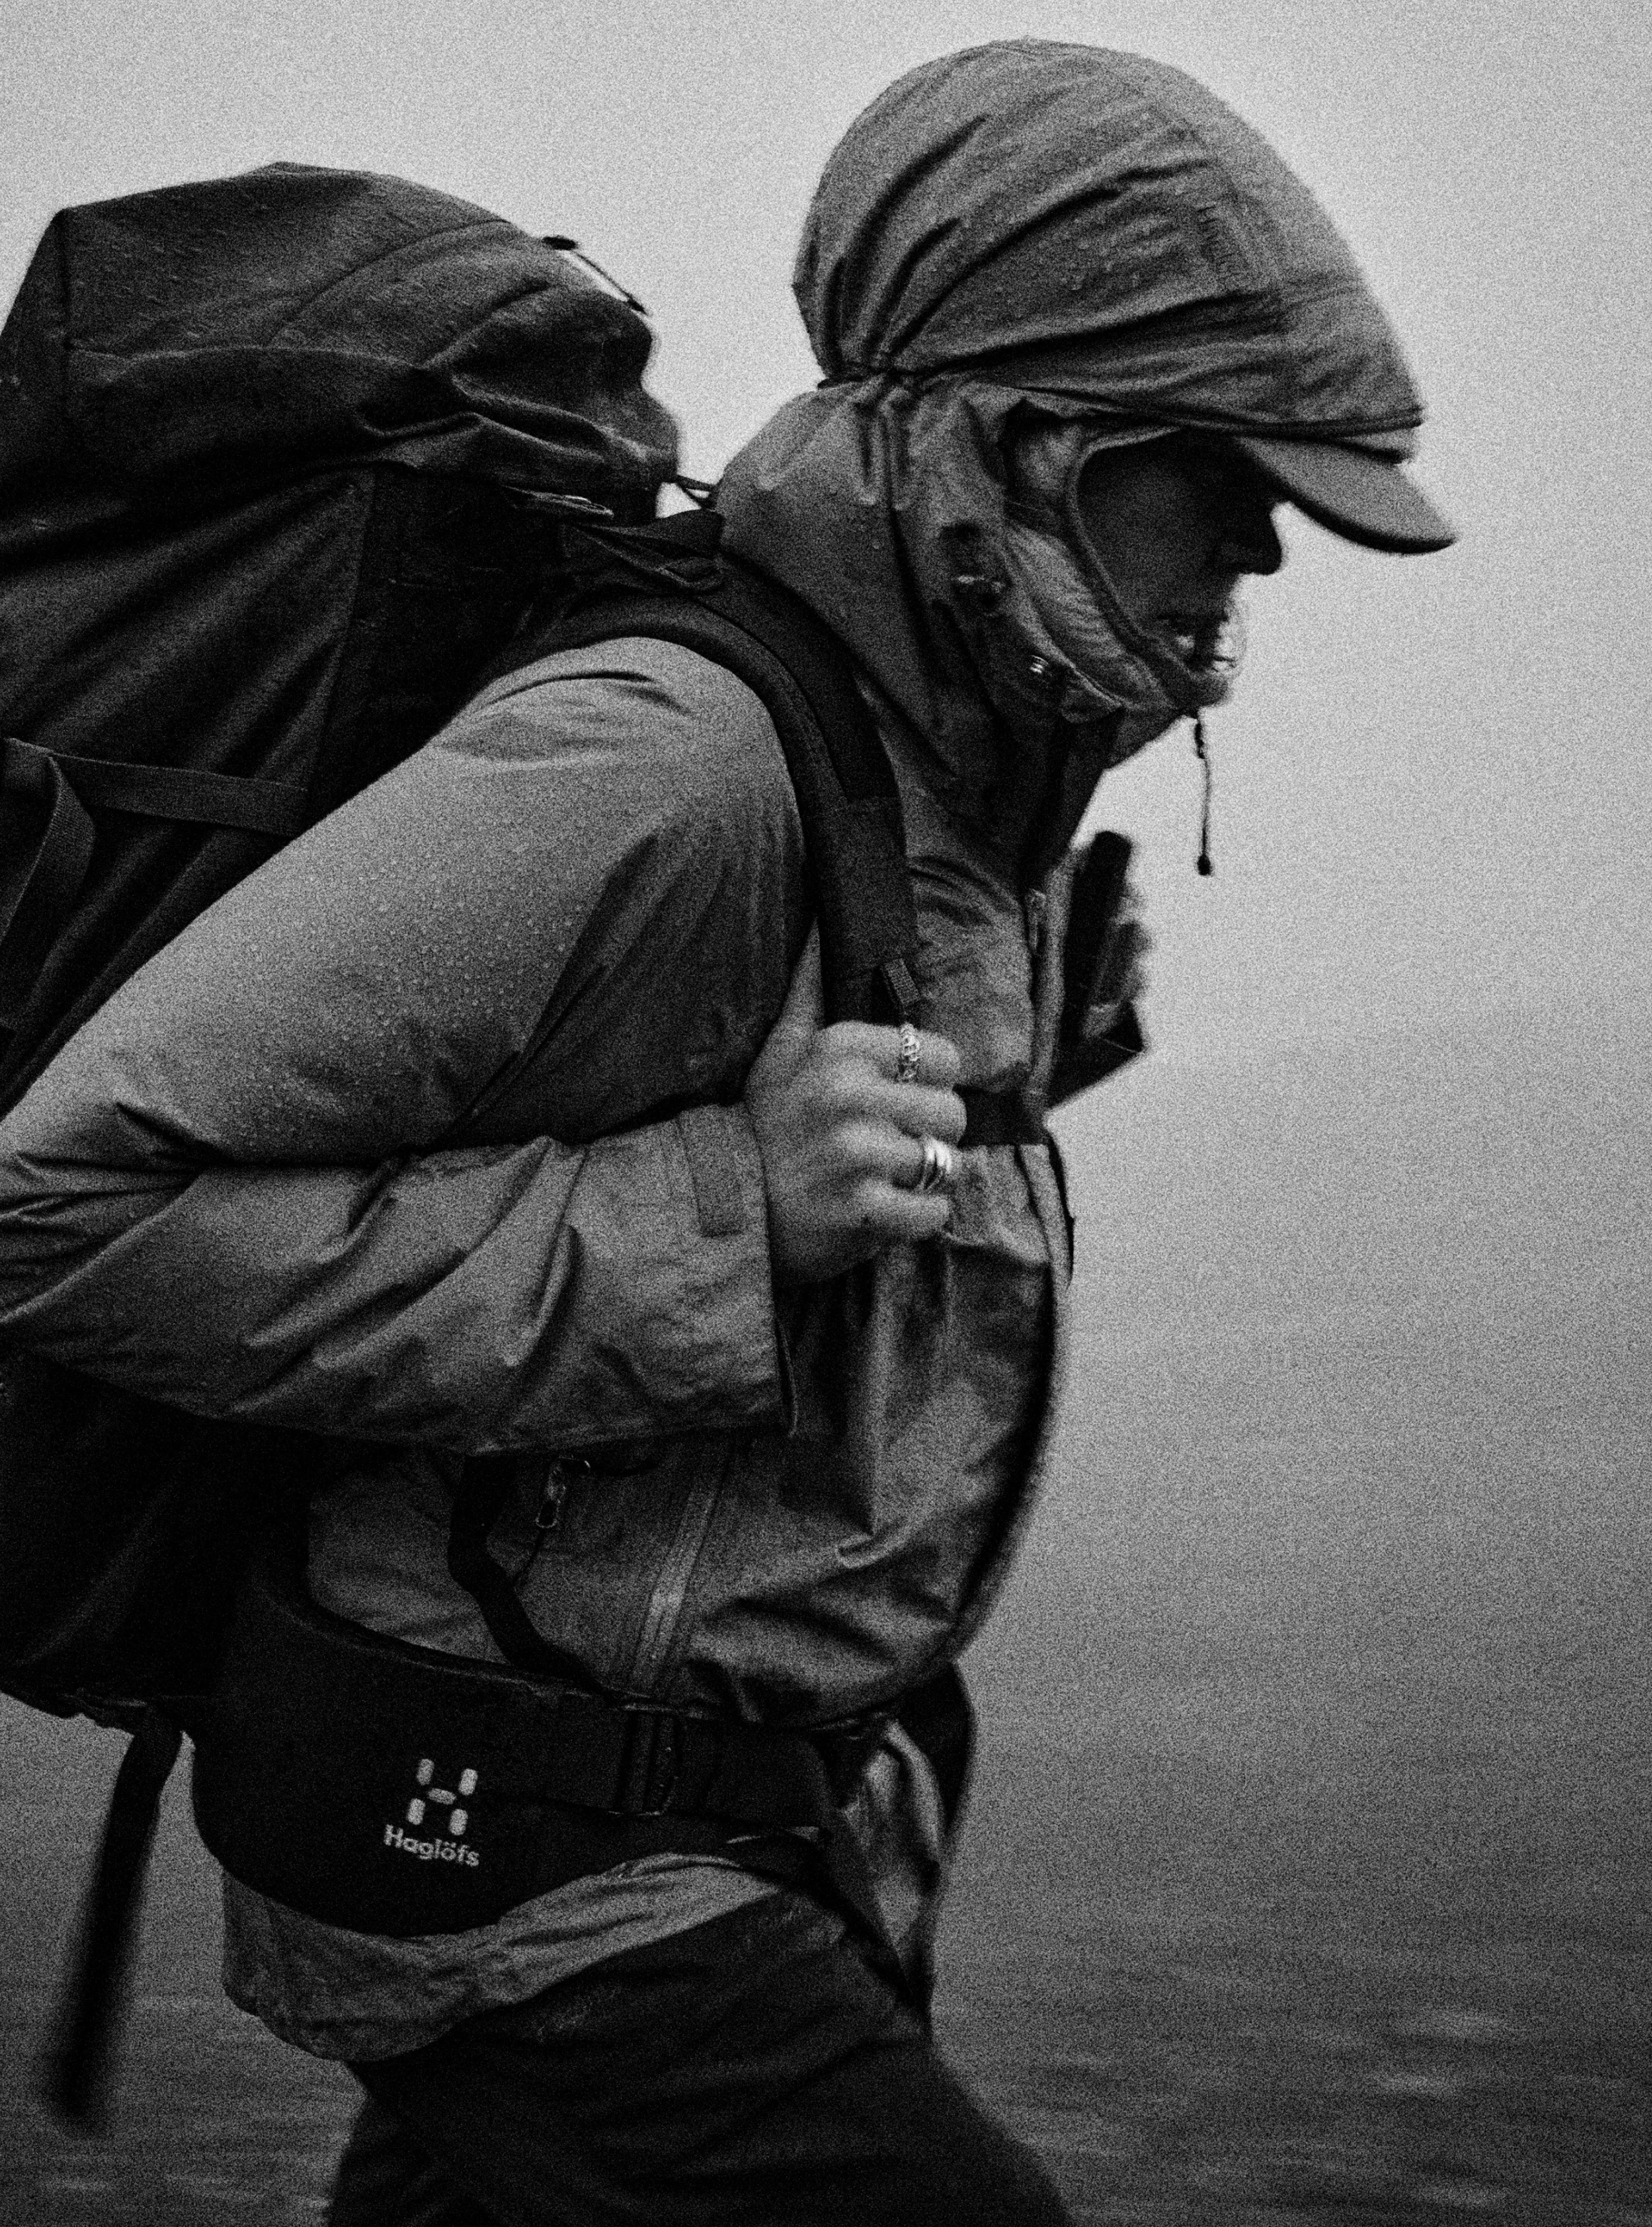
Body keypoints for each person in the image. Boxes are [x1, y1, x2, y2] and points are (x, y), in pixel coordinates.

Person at [0, 40, 1452, 2227]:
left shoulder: (956, 752)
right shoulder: (668, 761)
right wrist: (726, 1208)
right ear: (1024, 449)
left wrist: (1017, 1072)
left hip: (712, 1812)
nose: (1267, 546)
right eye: (1228, 477)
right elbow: (58, 1199)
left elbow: (734, 1098)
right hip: (519, 1834)